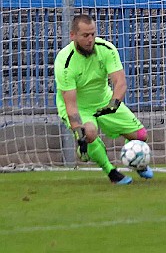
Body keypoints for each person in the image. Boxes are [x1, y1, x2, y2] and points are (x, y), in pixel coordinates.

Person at [54, 14, 153, 185]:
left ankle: (137, 161)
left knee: (141, 135)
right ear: (73, 36)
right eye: (85, 35)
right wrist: (80, 134)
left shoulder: (106, 49)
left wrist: (112, 105)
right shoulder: (65, 61)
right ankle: (111, 172)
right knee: (90, 133)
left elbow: (120, 82)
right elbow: (70, 104)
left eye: (93, 34)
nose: (90, 39)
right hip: (80, 107)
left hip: (104, 101)